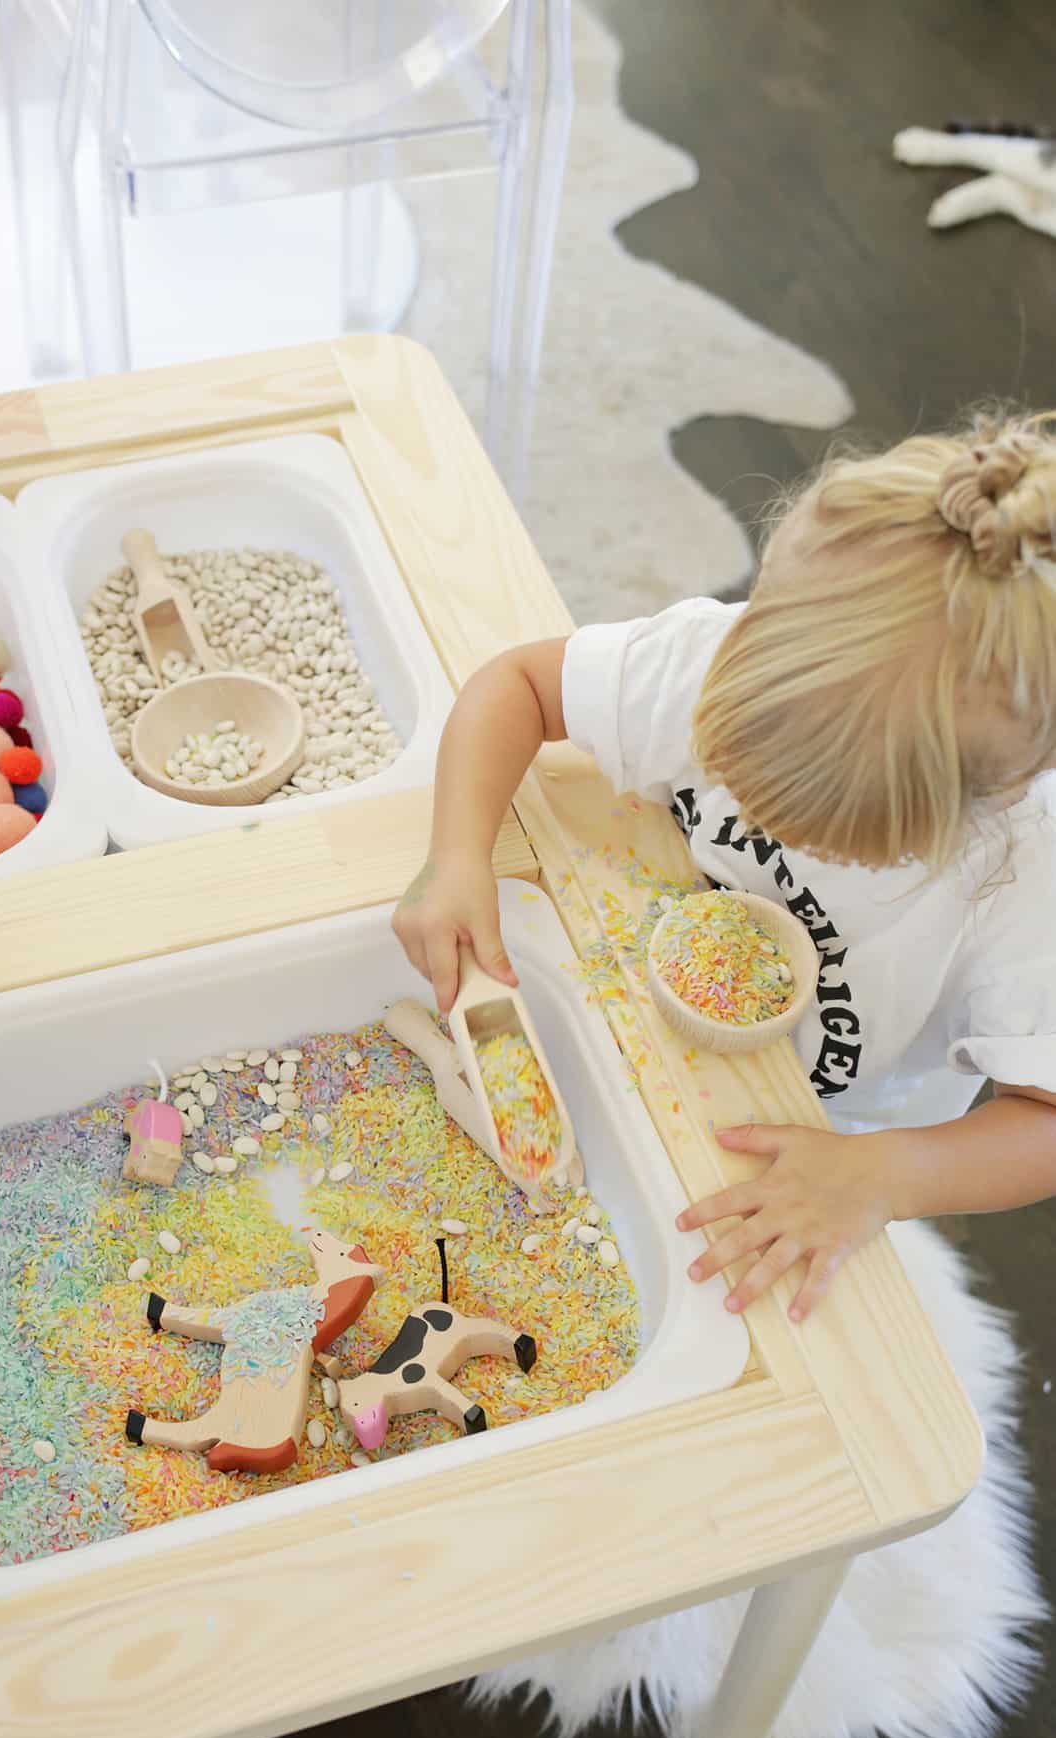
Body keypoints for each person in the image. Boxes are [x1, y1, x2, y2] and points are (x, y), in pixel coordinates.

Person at [393, 412, 1056, 1324]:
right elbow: (516, 685)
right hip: (636, 998)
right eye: (747, 779)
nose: (776, 825)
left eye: (836, 833)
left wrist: (884, 1176)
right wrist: (457, 853)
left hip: (820, 1138)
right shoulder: (718, 660)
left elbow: (1044, 1120)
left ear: (975, 809)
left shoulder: (1023, 874)